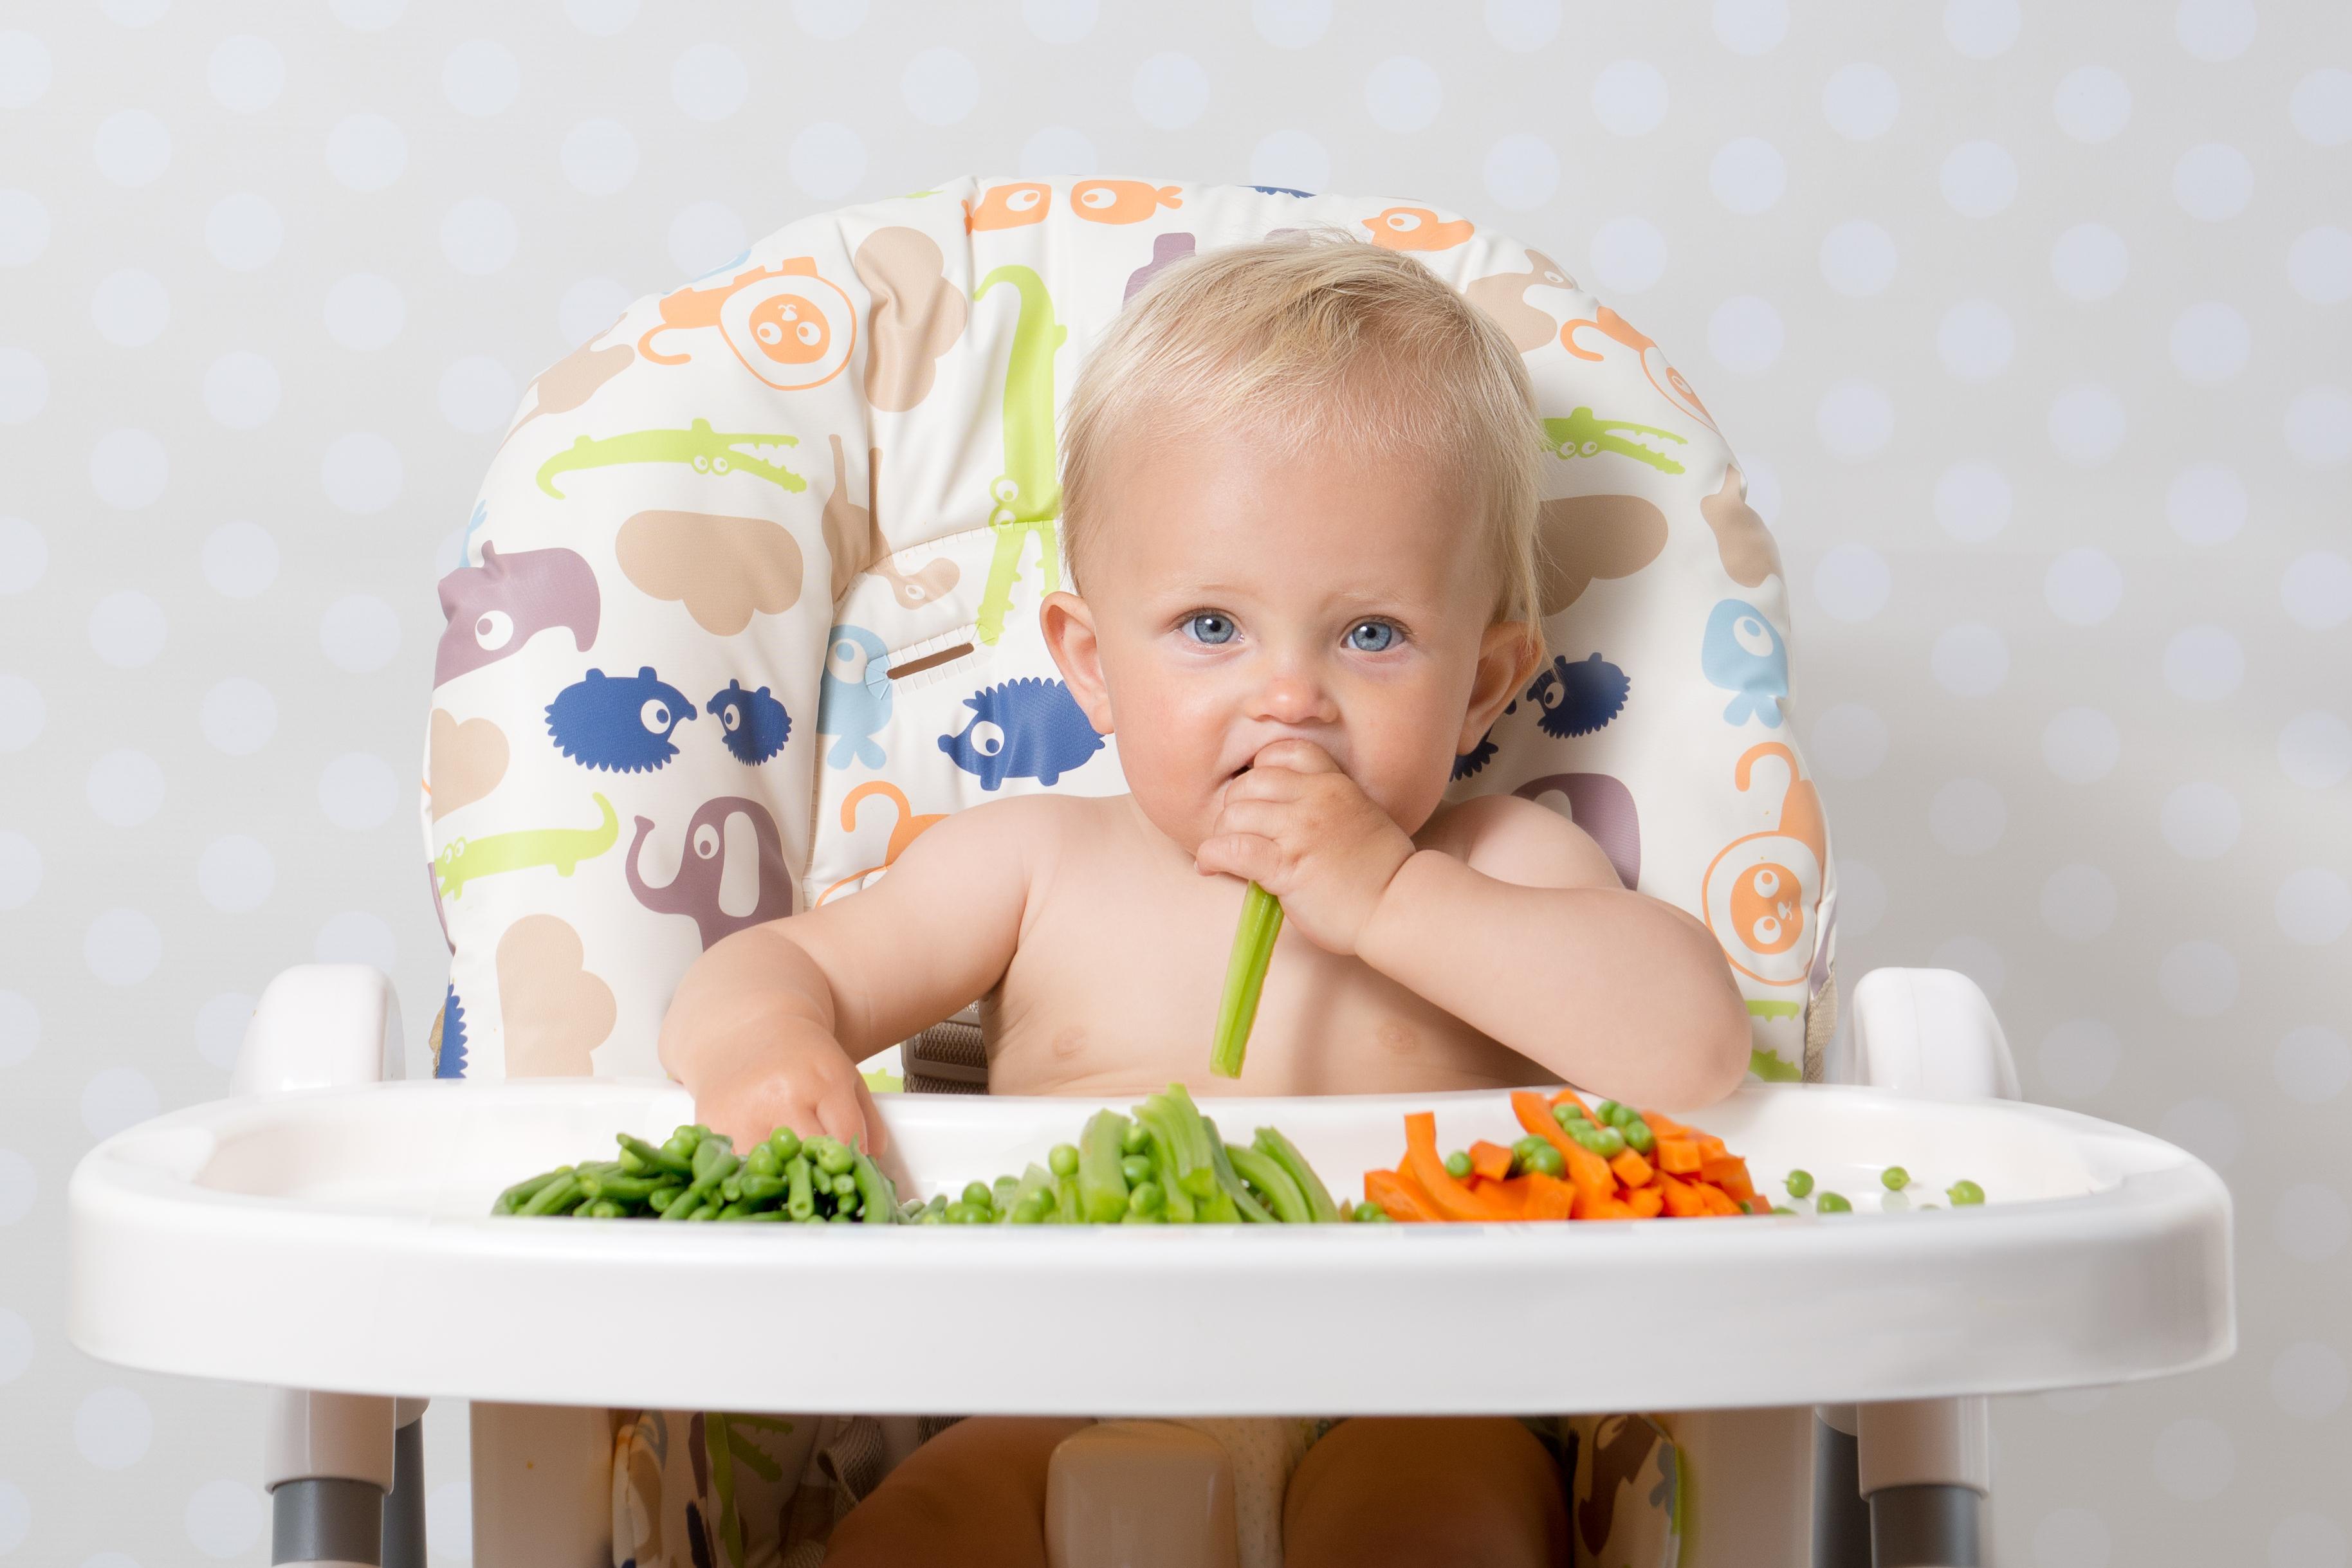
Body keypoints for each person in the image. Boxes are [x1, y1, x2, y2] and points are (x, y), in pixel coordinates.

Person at [657, 230, 1751, 1567]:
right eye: (1211, 628)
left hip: (1418, 1392)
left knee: (1434, 1525)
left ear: (1481, 681)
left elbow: (1693, 1048)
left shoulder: (1496, 867)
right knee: (927, 1528)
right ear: (1091, 662)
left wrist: (1387, 893)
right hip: (1059, 1387)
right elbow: (776, 972)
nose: (1287, 694)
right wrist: (759, 1047)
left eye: (1370, 634)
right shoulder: (1030, 864)